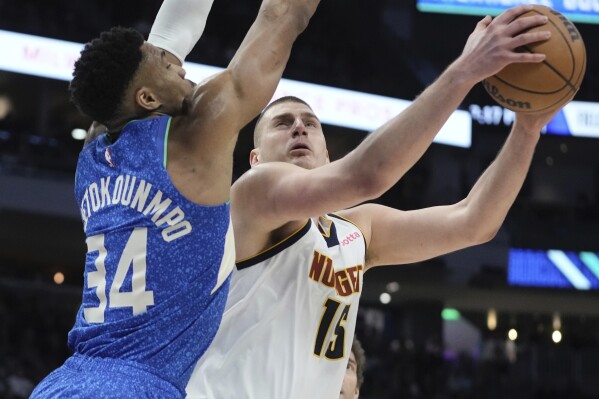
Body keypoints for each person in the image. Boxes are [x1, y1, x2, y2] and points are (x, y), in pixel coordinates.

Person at [186, 5, 563, 399]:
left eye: (310, 124)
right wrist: (465, 69)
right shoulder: (252, 195)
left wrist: (528, 128)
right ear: (256, 159)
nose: (299, 126)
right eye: (282, 123)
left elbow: (474, 222)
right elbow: (369, 174)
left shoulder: (355, 231)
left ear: (327, 156)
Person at [30, 0, 321, 397]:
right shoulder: (198, 135)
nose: (180, 65)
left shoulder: (94, 153)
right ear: (148, 100)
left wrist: (157, 61)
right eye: (167, 67)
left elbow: (167, 38)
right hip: (136, 387)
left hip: (66, 383)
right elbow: (283, 15)